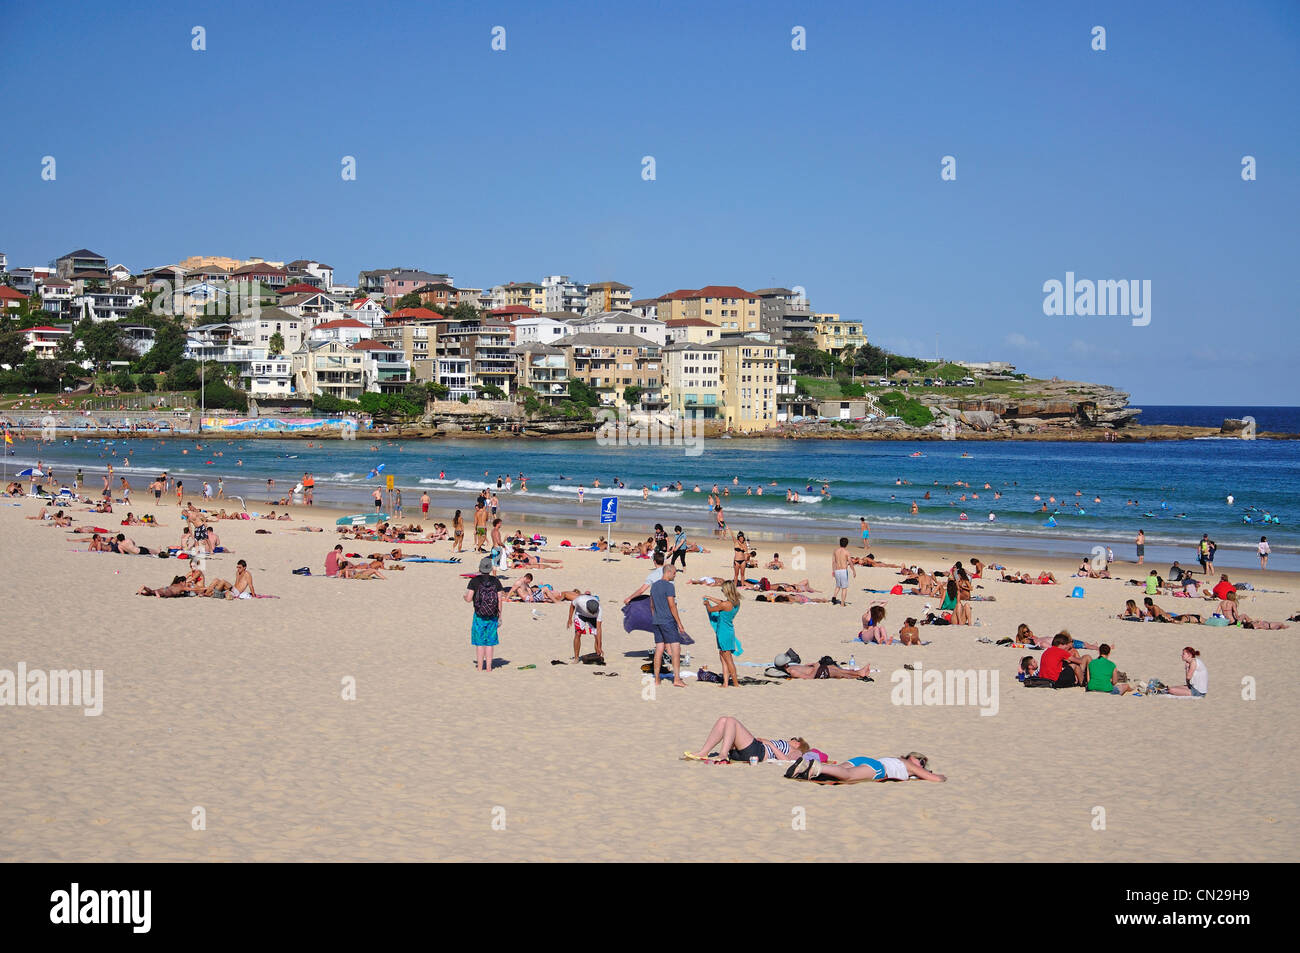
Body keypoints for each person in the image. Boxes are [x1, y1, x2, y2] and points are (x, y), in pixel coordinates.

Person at [687, 716, 809, 763]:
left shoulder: (797, 751)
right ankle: (703, 752)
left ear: (798, 744)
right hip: (748, 751)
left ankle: (723, 754)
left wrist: (770, 745)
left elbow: (787, 760)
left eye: (793, 739)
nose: (791, 740)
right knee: (724, 720)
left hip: (758, 752)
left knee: (731, 721)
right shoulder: (788, 746)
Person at [787, 751, 946, 783]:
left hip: (864, 759)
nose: (921, 764)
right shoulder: (910, 765)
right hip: (877, 768)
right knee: (848, 775)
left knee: (840, 773)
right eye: (921, 761)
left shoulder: (899, 759)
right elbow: (935, 779)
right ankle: (817, 767)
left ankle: (805, 769)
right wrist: (942, 776)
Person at [650, 562, 690, 687]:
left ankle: (657, 679)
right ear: (668, 572)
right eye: (674, 573)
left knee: (659, 649)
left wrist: (655, 617)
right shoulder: (669, 586)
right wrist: (679, 623)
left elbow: (651, 605)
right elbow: (672, 605)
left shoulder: (654, 586)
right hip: (667, 621)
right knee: (676, 648)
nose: (675, 576)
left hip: (657, 620)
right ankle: (677, 679)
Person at [464, 555, 505, 672]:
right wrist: (500, 617)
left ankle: (480, 668)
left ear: (480, 568)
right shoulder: (496, 581)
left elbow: (468, 599)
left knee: (480, 642)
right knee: (490, 642)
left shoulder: (474, 581)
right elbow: (499, 600)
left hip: (479, 616)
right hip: (493, 616)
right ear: (491, 569)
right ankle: (489, 668)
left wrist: (464, 596)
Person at [703, 580, 742, 687]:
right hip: (729, 630)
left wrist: (707, 604)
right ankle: (725, 683)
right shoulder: (736, 602)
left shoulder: (725, 604)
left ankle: (735, 683)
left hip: (723, 632)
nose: (722, 591)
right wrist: (711, 598)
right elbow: (722, 603)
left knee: (728, 659)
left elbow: (711, 609)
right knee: (723, 657)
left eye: (722, 590)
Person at [567, 592, 604, 660]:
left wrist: (599, 647)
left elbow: (599, 629)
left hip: (593, 618)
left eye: (594, 612)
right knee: (578, 633)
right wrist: (569, 618)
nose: (592, 613)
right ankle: (576, 658)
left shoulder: (599, 610)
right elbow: (572, 605)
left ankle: (598, 655)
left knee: (596, 635)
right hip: (580, 614)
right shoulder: (580, 600)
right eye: (591, 612)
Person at [831, 537, 855, 606]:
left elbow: (833, 562)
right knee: (844, 588)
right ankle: (842, 603)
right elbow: (850, 562)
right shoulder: (846, 552)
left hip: (837, 570)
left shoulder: (835, 551)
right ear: (846, 544)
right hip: (843, 571)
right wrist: (853, 570)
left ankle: (834, 597)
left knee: (838, 585)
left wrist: (833, 571)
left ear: (840, 543)